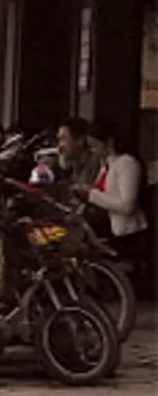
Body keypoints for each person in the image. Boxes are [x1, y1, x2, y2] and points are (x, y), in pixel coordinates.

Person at [86, 123, 150, 294]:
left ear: (109, 143)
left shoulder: (126, 164)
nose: (93, 151)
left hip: (127, 232)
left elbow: (127, 205)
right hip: (107, 224)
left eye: (95, 146)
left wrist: (92, 195)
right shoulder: (105, 165)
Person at [57, 117, 106, 190]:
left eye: (63, 139)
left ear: (80, 140)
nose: (59, 146)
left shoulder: (96, 163)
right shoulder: (75, 163)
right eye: (59, 140)